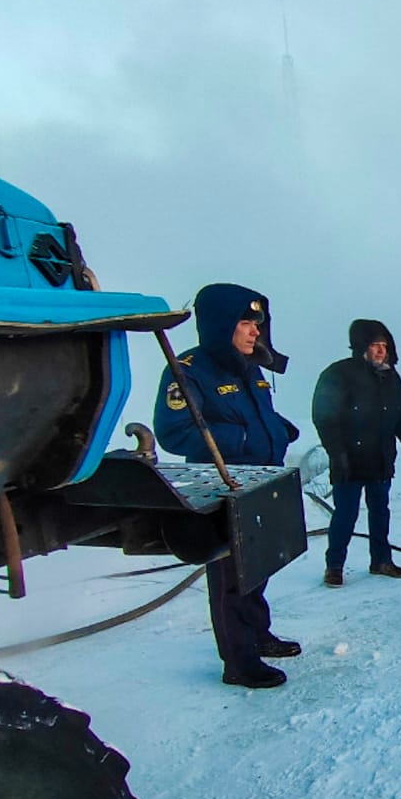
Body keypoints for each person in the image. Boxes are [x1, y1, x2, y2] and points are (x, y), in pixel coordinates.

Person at [154, 283, 301, 689]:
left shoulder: (250, 367)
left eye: (257, 323)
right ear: (222, 325)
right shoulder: (187, 370)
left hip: (260, 481)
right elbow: (174, 432)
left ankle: (258, 634)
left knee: (259, 566)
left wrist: (278, 430)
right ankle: (239, 660)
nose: (256, 331)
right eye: (245, 322)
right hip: (223, 486)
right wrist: (245, 440)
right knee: (230, 577)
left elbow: (253, 415)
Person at [311, 318, 401, 585]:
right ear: (361, 346)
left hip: (380, 459)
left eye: (384, 345)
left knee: (380, 511)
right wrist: (337, 453)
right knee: (346, 514)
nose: (381, 350)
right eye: (375, 345)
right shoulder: (339, 374)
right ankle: (335, 566)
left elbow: (400, 416)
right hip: (349, 461)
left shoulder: (391, 378)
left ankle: (381, 560)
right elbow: (324, 416)